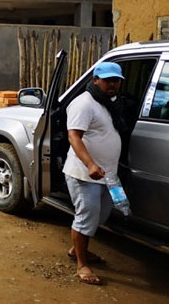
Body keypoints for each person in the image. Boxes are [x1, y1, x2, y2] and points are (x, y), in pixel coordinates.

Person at [63, 61, 125, 286]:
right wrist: (90, 164)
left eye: (116, 81)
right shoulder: (84, 103)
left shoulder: (110, 103)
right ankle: (82, 264)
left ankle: (76, 249)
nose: (112, 84)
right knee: (87, 217)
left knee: (101, 215)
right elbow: (74, 136)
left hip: (107, 174)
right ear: (96, 80)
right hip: (84, 173)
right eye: (108, 80)